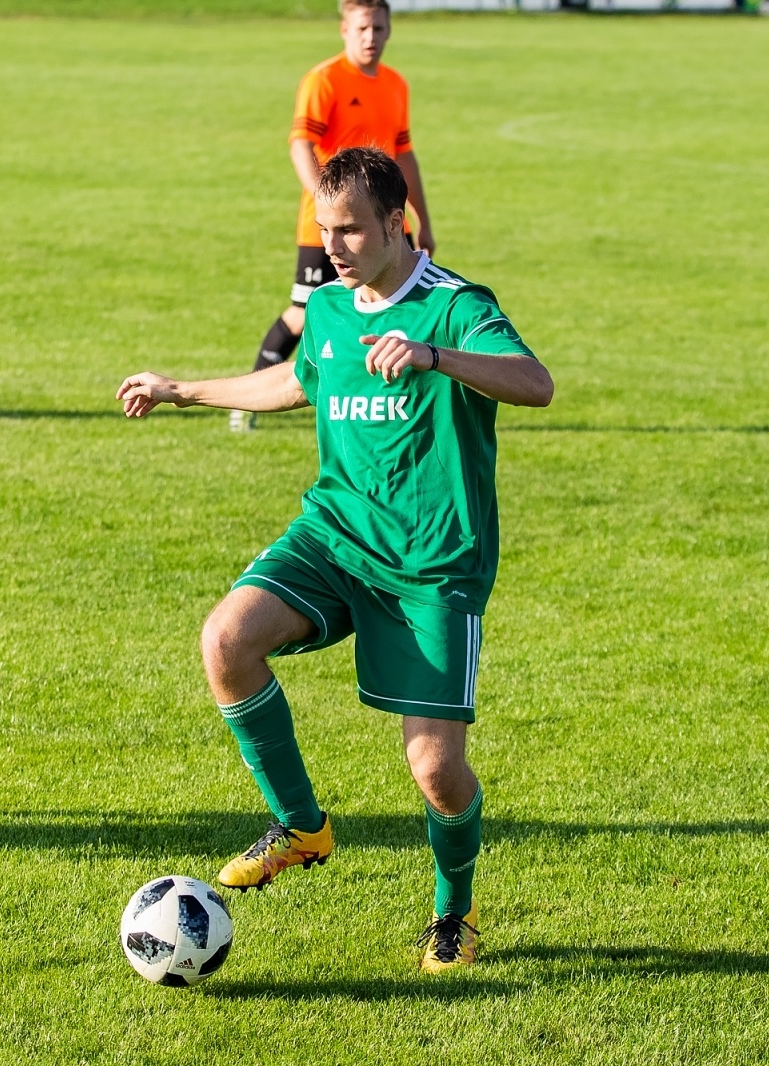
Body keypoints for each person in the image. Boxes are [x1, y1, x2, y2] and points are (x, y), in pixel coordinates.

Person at [117, 148, 553, 973]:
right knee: (226, 641)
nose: (333, 245)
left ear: (396, 222)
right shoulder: (327, 308)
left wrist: (433, 357)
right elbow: (295, 382)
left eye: (350, 229)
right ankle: (301, 826)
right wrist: (183, 390)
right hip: (336, 535)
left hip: (431, 563)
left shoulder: (455, 306)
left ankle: (453, 912)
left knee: (436, 770)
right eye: (325, 229)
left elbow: (536, 383)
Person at [231, 0, 436, 432]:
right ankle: (248, 398)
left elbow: (404, 156)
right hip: (328, 229)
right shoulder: (324, 80)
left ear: (389, 30)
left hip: (386, 226)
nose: (371, 37)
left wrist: (423, 220)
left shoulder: (396, 84)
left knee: (403, 310)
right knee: (303, 312)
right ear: (345, 30)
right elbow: (300, 144)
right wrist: (329, 209)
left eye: (379, 28)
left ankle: (395, 407)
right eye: (362, 29)